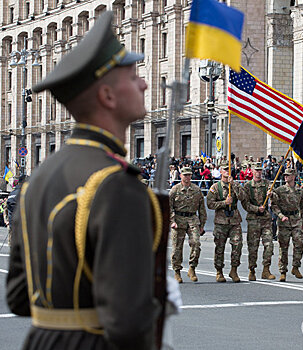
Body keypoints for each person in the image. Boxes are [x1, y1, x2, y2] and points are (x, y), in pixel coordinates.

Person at [7, 12, 161, 349]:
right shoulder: (116, 184)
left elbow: (19, 297)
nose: (144, 84)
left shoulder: (36, 180)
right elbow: (128, 323)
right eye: (133, 77)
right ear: (107, 96)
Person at [207, 162, 247, 283]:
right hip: (221, 220)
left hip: (234, 219)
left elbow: (243, 197)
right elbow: (210, 204)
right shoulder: (215, 187)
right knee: (220, 246)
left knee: (237, 245)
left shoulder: (235, 185)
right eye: (225, 169)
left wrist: (233, 184)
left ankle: (234, 270)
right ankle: (219, 271)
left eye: (229, 169)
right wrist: (224, 203)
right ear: (220, 171)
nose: (227, 171)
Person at [169, 167, 207, 283]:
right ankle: (177, 271)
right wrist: (172, 221)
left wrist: (202, 225)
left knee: (196, 243)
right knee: (177, 248)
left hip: (192, 218)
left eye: (189, 175)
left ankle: (192, 268)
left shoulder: (196, 190)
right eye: (185, 175)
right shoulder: (175, 190)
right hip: (178, 220)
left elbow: (202, 208)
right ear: (180, 176)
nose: (187, 177)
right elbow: (168, 207)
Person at [270, 168, 303, 282]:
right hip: (284, 221)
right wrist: (280, 216)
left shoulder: (300, 192)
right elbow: (274, 205)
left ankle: (295, 267)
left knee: (299, 244)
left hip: (296, 220)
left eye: (288, 175)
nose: (286, 177)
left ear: (294, 176)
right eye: (285, 175)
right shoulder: (279, 190)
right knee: (283, 247)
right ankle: (283, 271)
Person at [242, 162, 275, 281]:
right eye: (256, 170)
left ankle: (266, 269)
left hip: (265, 219)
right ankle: (252, 269)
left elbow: (275, 197)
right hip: (253, 219)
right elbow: (245, 204)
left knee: (269, 245)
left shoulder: (267, 184)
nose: (258, 172)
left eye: (260, 170)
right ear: (252, 171)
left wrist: (271, 195)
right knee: (253, 247)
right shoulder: (247, 186)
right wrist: (256, 209)